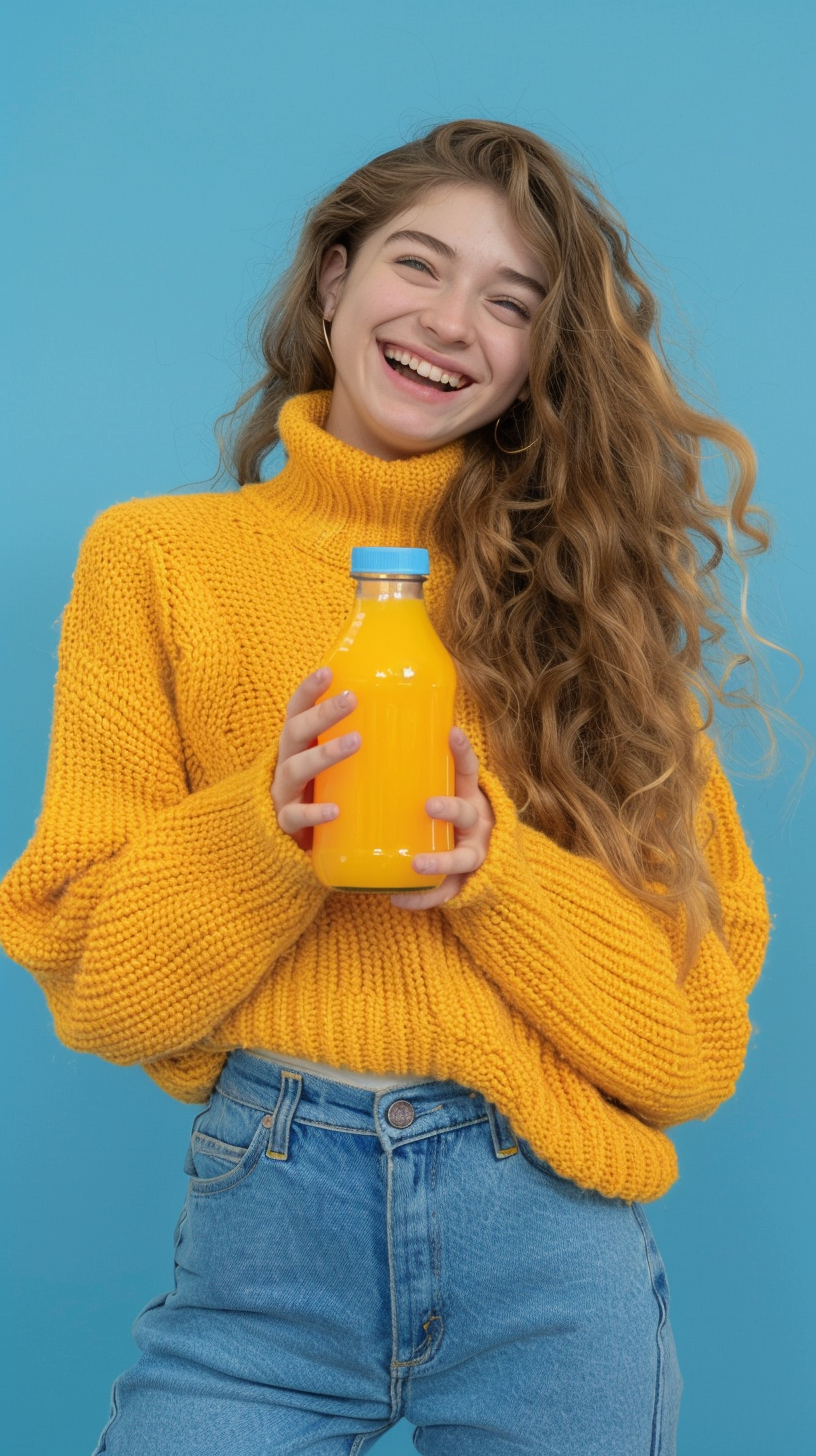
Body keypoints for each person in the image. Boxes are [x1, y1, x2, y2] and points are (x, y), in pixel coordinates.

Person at [0, 119, 776, 1454]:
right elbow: (102, 991)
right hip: (265, 1236)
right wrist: (268, 830)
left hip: (547, 1250)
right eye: (419, 265)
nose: (451, 322)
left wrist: (495, 874)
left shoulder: (592, 611)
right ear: (333, 281)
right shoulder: (156, 563)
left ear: (540, 358)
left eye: (510, 301)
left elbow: (691, 1047)